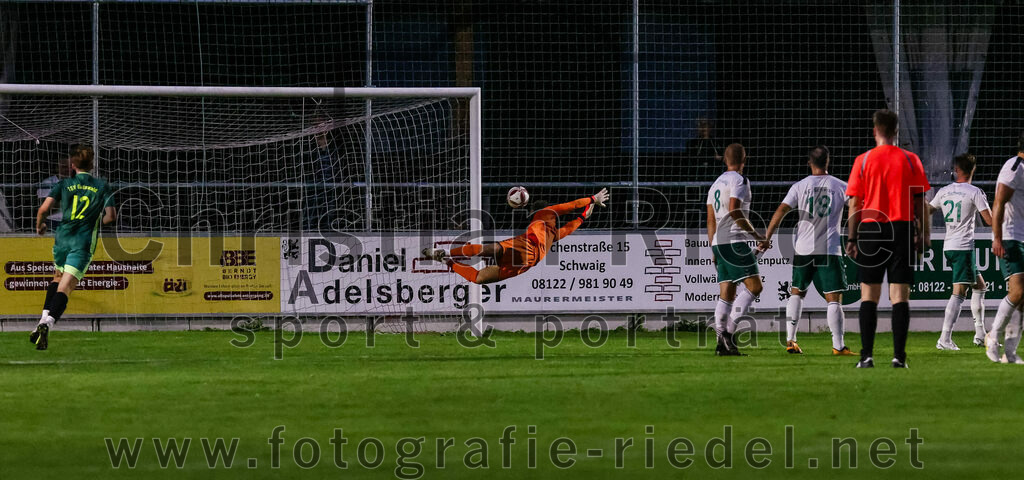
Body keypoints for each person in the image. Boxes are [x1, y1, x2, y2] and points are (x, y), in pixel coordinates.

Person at [845, 110, 931, 368]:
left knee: (868, 296)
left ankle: (866, 356)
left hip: (871, 228)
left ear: (875, 131)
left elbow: (854, 204)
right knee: (900, 295)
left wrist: (852, 238)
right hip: (901, 228)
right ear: (896, 131)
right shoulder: (910, 160)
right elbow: (921, 203)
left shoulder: (863, 161)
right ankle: (898, 357)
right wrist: (924, 235)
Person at [760, 146, 855, 356]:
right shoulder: (841, 186)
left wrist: (767, 237)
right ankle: (838, 346)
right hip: (829, 249)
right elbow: (858, 205)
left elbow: (781, 210)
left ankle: (791, 340)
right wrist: (855, 235)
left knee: (797, 292)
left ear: (809, 163)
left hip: (803, 248)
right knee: (833, 298)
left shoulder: (799, 186)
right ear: (828, 161)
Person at [424, 188, 609, 284]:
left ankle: (446, 254)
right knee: (478, 278)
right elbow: (570, 226)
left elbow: (572, 205)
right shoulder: (552, 234)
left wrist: (592, 199)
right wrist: (583, 216)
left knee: (487, 252)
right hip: (527, 263)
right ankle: (445, 259)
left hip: (526, 248)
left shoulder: (545, 213)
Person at [30, 146, 116, 350]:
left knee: (57, 278)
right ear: (92, 164)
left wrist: (40, 226)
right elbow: (111, 216)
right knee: (66, 287)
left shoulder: (64, 184)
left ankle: (40, 322)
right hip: (82, 240)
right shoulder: (102, 186)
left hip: (63, 238)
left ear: (73, 165)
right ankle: (47, 324)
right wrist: (95, 221)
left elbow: (43, 210)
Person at [927, 153, 992, 350]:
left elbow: (927, 210)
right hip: (963, 247)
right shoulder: (975, 192)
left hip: (949, 246)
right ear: (973, 170)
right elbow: (989, 220)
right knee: (959, 293)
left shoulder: (944, 191)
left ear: (956, 170)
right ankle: (944, 339)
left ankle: (980, 334)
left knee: (980, 286)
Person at [707, 143, 764, 356]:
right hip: (734, 241)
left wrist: (713, 247)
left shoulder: (715, 185)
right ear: (744, 160)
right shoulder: (739, 180)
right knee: (755, 287)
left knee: (727, 293)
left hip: (719, 243)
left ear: (724, 159)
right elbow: (734, 210)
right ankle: (728, 333)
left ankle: (721, 344)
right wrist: (757, 235)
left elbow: (710, 220)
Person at [986, 132, 1024, 364]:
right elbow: (998, 202)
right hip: (1010, 236)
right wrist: (997, 238)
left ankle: (1009, 352)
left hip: (1021, 237)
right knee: (1018, 291)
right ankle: (993, 336)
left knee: (1023, 298)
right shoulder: (1014, 167)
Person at [37, 155, 71, 231]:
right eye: (64, 167)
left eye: (70, 167)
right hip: (53, 221)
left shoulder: (77, 182)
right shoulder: (47, 183)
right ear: (57, 168)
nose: (68, 170)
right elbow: (46, 209)